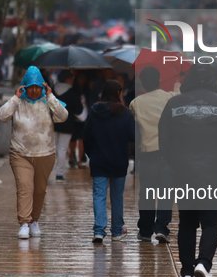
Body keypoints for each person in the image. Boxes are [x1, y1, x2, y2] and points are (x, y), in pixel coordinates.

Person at [159, 64, 217, 277]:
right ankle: (204, 263)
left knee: (187, 222)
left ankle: (186, 274)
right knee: (211, 222)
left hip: (183, 171)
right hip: (213, 172)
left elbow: (163, 140)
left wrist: (174, 163)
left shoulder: (174, 104)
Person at [0, 66, 68, 239]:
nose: (34, 90)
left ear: (43, 86)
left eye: (38, 86)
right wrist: (15, 98)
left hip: (45, 154)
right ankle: (24, 223)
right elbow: (2, 116)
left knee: (39, 190)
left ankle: (34, 220)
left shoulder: (48, 102)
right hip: (20, 153)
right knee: (25, 187)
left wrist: (50, 97)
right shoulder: (18, 103)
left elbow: (63, 116)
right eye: (31, 86)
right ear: (24, 87)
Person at [129, 67, 179, 243]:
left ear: (143, 83)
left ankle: (145, 229)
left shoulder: (136, 102)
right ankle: (161, 228)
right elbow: (178, 97)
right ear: (159, 80)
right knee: (166, 192)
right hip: (167, 153)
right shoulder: (170, 98)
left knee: (147, 194)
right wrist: (176, 84)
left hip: (147, 153)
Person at [84, 80, 135, 243]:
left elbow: (87, 136)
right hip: (119, 160)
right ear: (119, 93)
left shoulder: (94, 111)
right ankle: (117, 230)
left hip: (99, 159)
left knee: (99, 195)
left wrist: (91, 154)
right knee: (117, 197)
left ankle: (99, 230)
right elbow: (133, 136)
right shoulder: (125, 113)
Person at [53, 70, 83, 182]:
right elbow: (78, 110)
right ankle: (59, 174)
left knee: (52, 149)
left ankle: (48, 172)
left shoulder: (52, 91)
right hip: (67, 125)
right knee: (62, 149)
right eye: (71, 78)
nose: (73, 80)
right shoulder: (72, 93)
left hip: (53, 124)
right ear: (67, 79)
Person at [69, 73, 90, 168]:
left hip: (82, 118)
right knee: (74, 139)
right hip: (75, 118)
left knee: (80, 139)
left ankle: (79, 160)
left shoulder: (87, 91)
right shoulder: (75, 91)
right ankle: (72, 158)